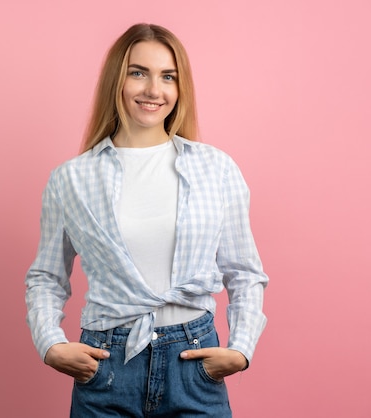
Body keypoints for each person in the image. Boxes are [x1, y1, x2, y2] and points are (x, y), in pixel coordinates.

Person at [25, 23, 268, 417]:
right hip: (106, 366)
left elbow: (244, 272)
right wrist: (49, 342)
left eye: (167, 77)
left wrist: (241, 348)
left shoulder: (216, 169)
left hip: (193, 364)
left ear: (179, 87)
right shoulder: (71, 178)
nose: (154, 90)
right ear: (116, 81)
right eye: (138, 73)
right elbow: (46, 277)